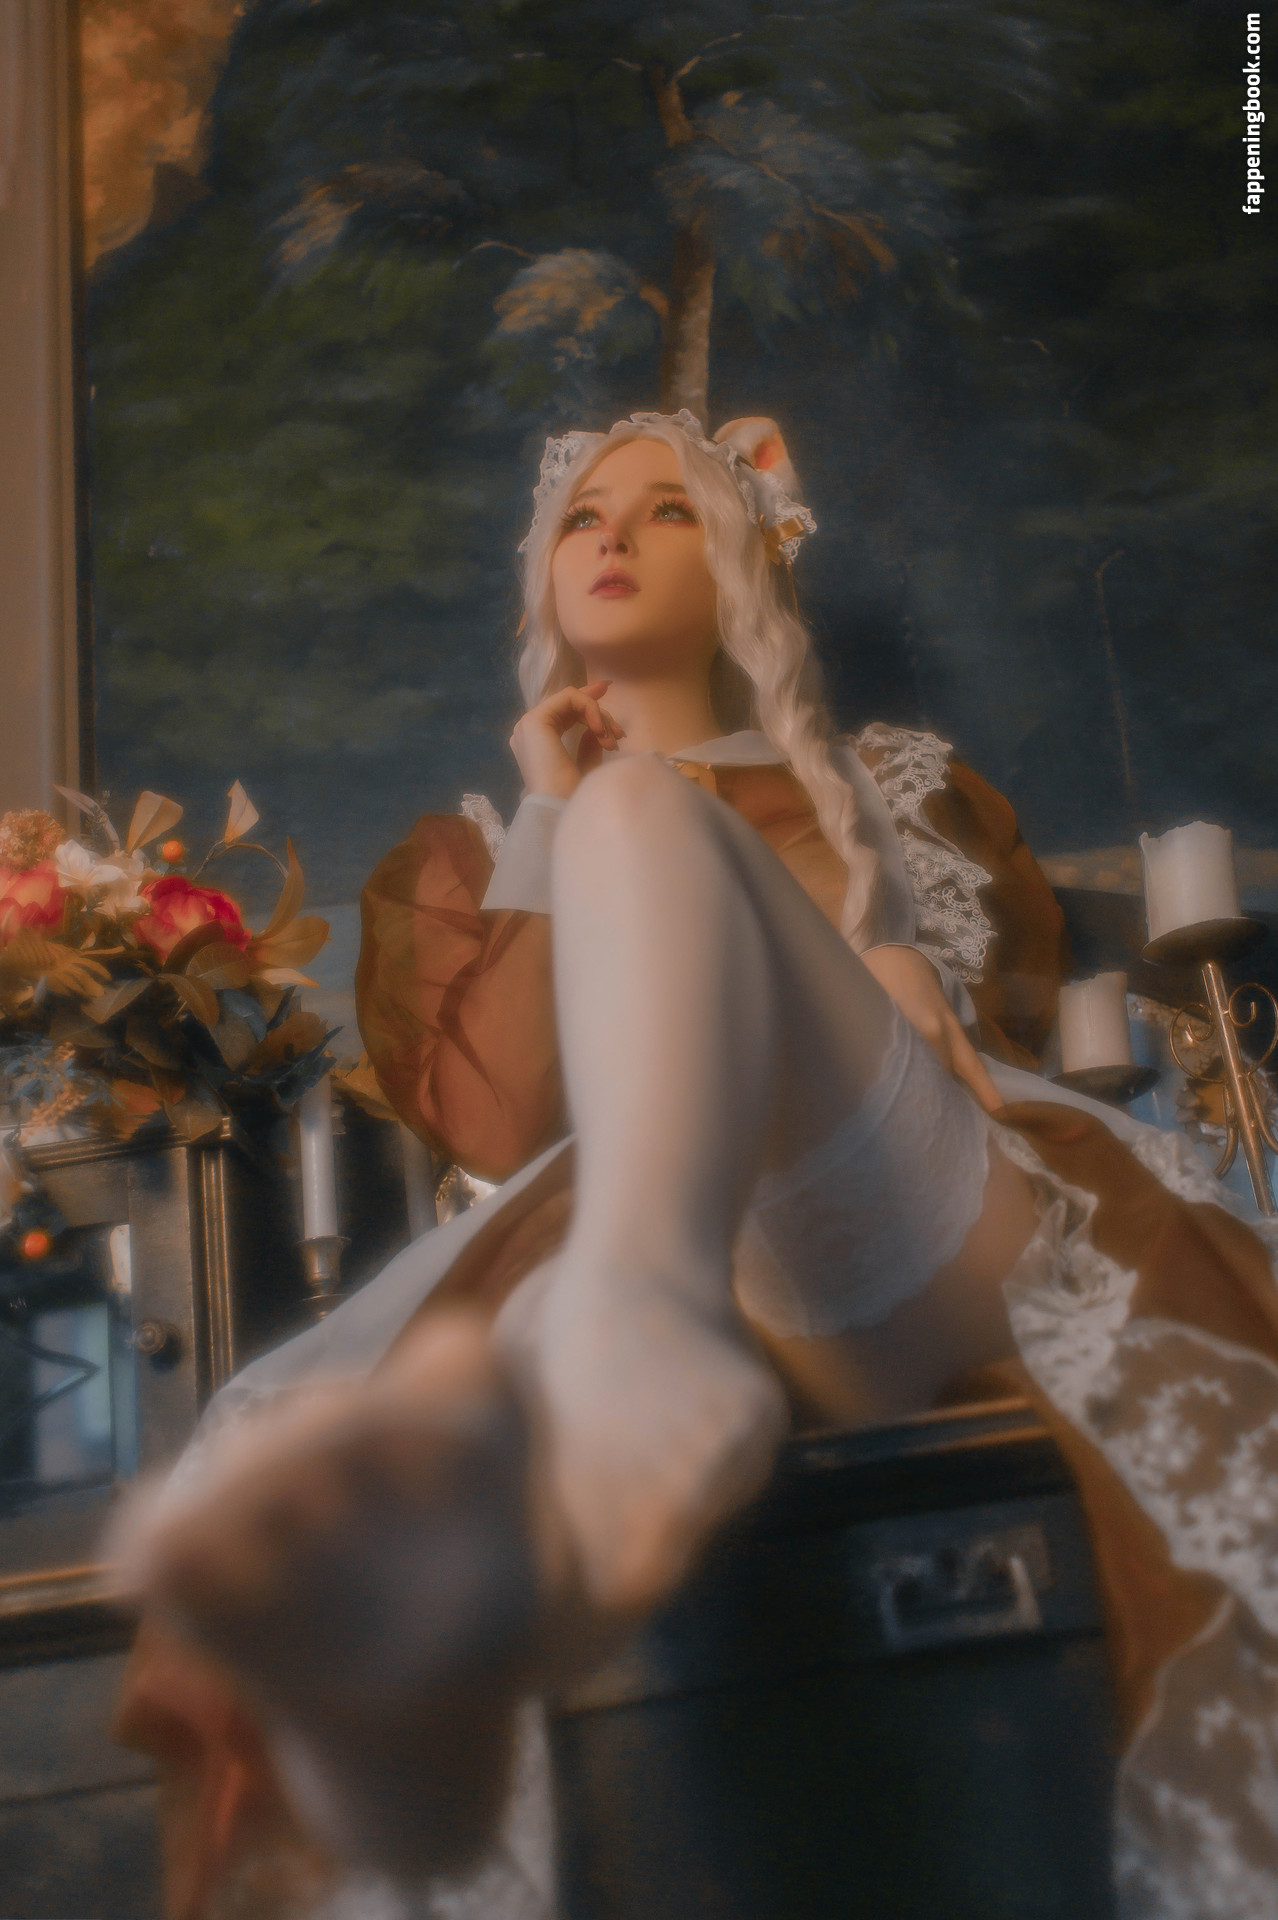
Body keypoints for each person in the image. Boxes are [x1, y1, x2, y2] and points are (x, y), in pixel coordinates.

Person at [113, 411, 1278, 1920]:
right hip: (646, 1227)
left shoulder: (889, 786)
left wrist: (889, 965)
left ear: (742, 561)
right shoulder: (487, 841)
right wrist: (552, 807)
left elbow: (965, 1039)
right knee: (629, 812)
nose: (610, 534)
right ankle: (573, 1439)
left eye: (666, 509)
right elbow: (500, 1125)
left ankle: (607, 1370)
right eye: (582, 514)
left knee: (644, 812)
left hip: (934, 1221)